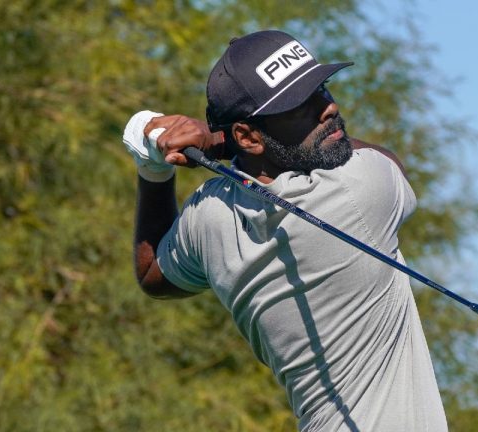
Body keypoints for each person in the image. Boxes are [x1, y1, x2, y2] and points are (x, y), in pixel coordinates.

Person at [123, 30, 447, 431]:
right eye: (301, 106)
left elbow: (153, 272)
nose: (329, 108)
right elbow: (386, 160)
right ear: (247, 135)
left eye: (322, 89)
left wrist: (154, 170)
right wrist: (218, 143)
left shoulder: (209, 215)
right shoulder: (358, 191)